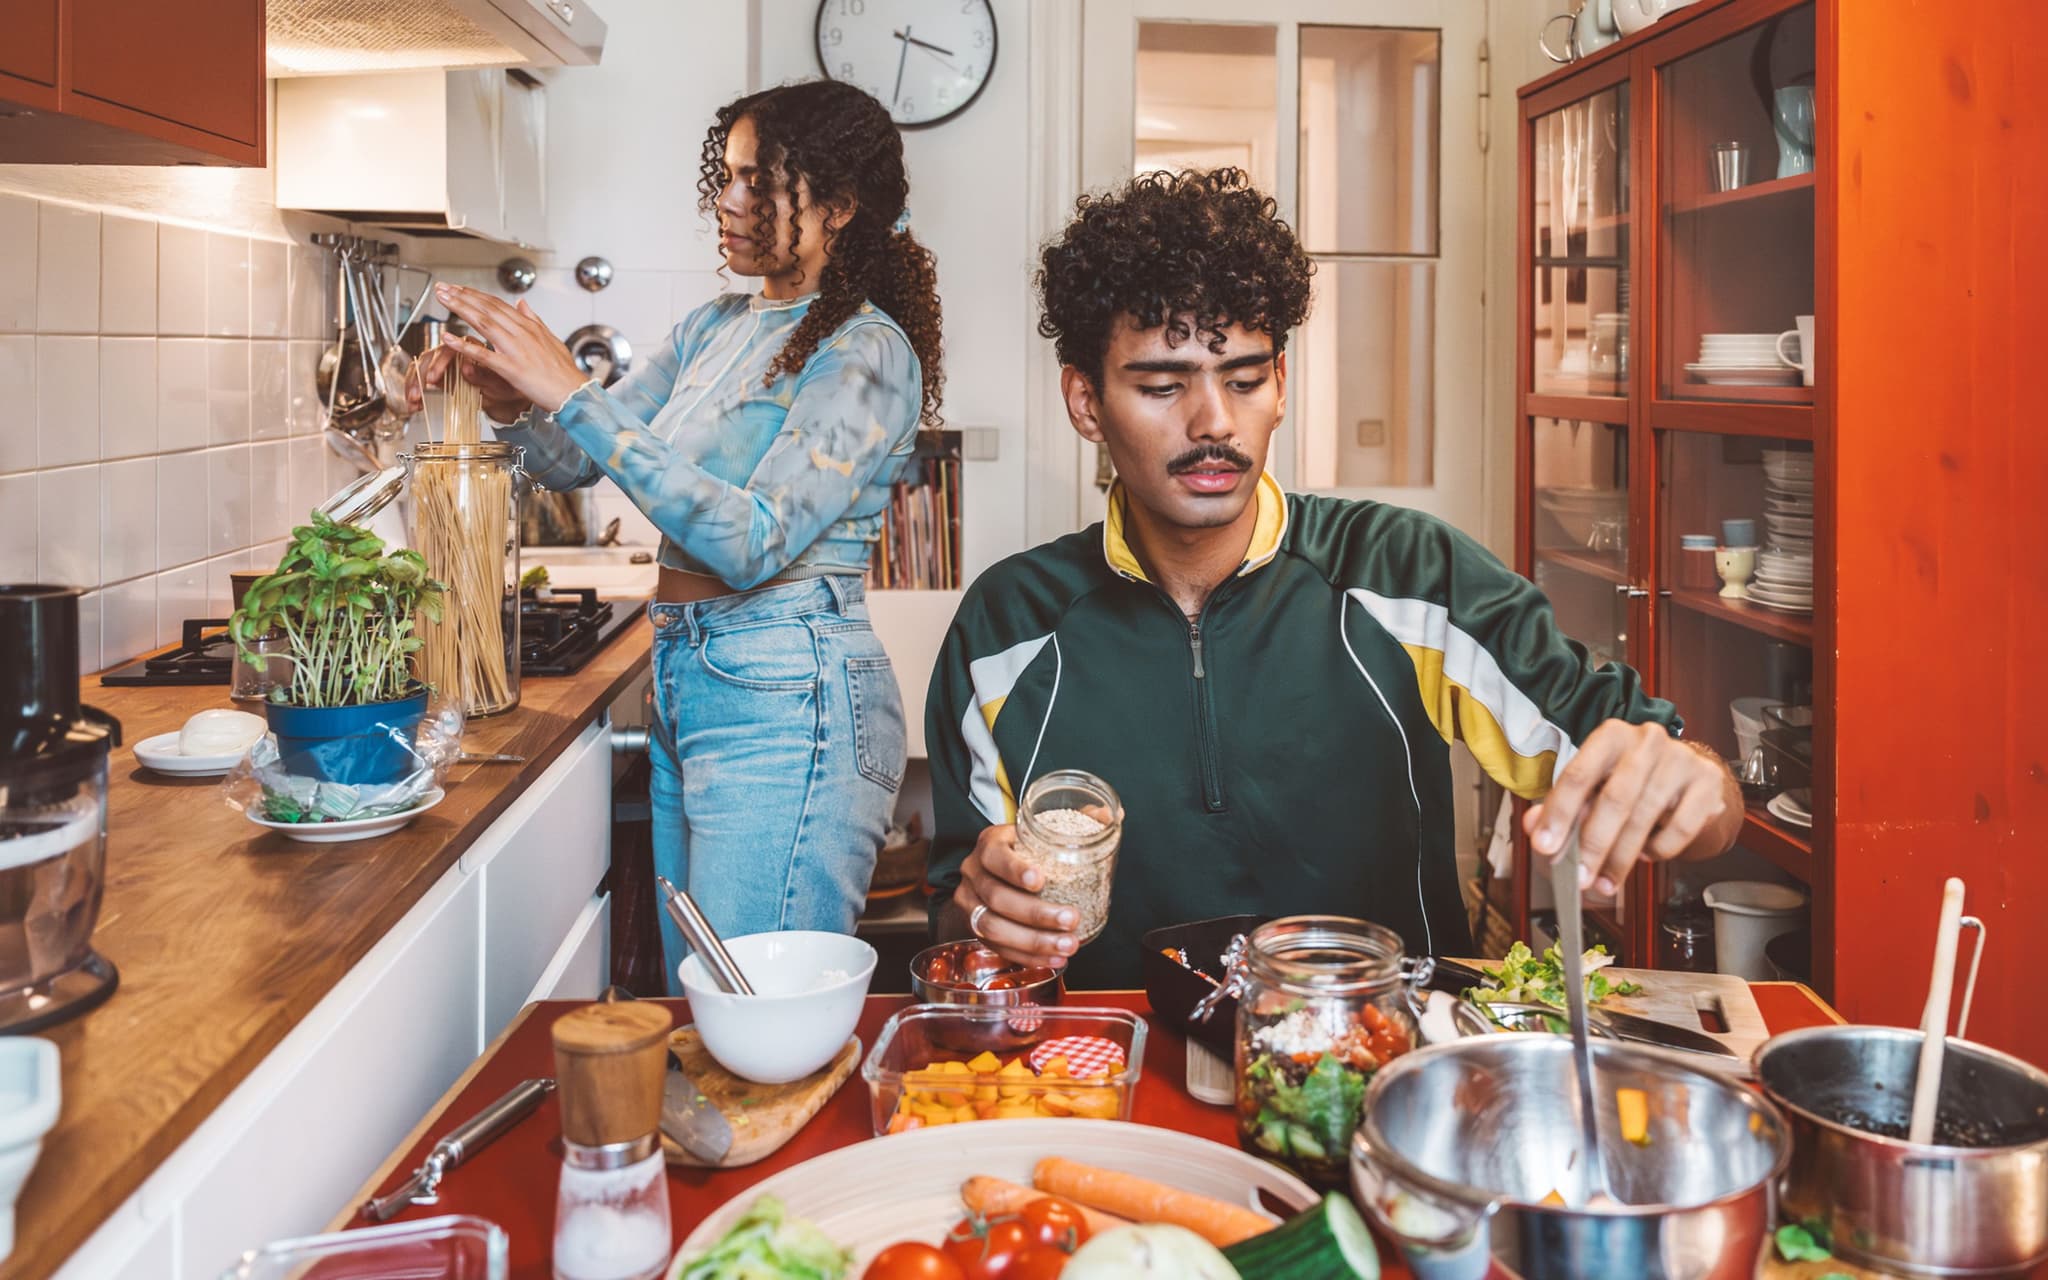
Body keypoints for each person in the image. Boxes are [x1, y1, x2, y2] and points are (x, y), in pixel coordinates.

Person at [926, 169, 1740, 988]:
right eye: (1163, 386)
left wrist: (1692, 780)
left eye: (1243, 380)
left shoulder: (1411, 576)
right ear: (1086, 402)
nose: (1213, 422)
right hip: (1114, 1076)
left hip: (1381, 1067)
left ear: (1280, 385)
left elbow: (1680, 789)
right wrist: (983, 905)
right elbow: (956, 918)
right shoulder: (1007, 627)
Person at [413, 80, 944, 989]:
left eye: (759, 182)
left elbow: (753, 540)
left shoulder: (868, 351)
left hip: (789, 695)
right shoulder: (716, 327)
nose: (729, 204)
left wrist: (571, 393)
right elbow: (582, 461)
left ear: (841, 208)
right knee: (703, 997)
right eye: (728, 177)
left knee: (754, 1005)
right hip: (690, 674)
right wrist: (518, 403)